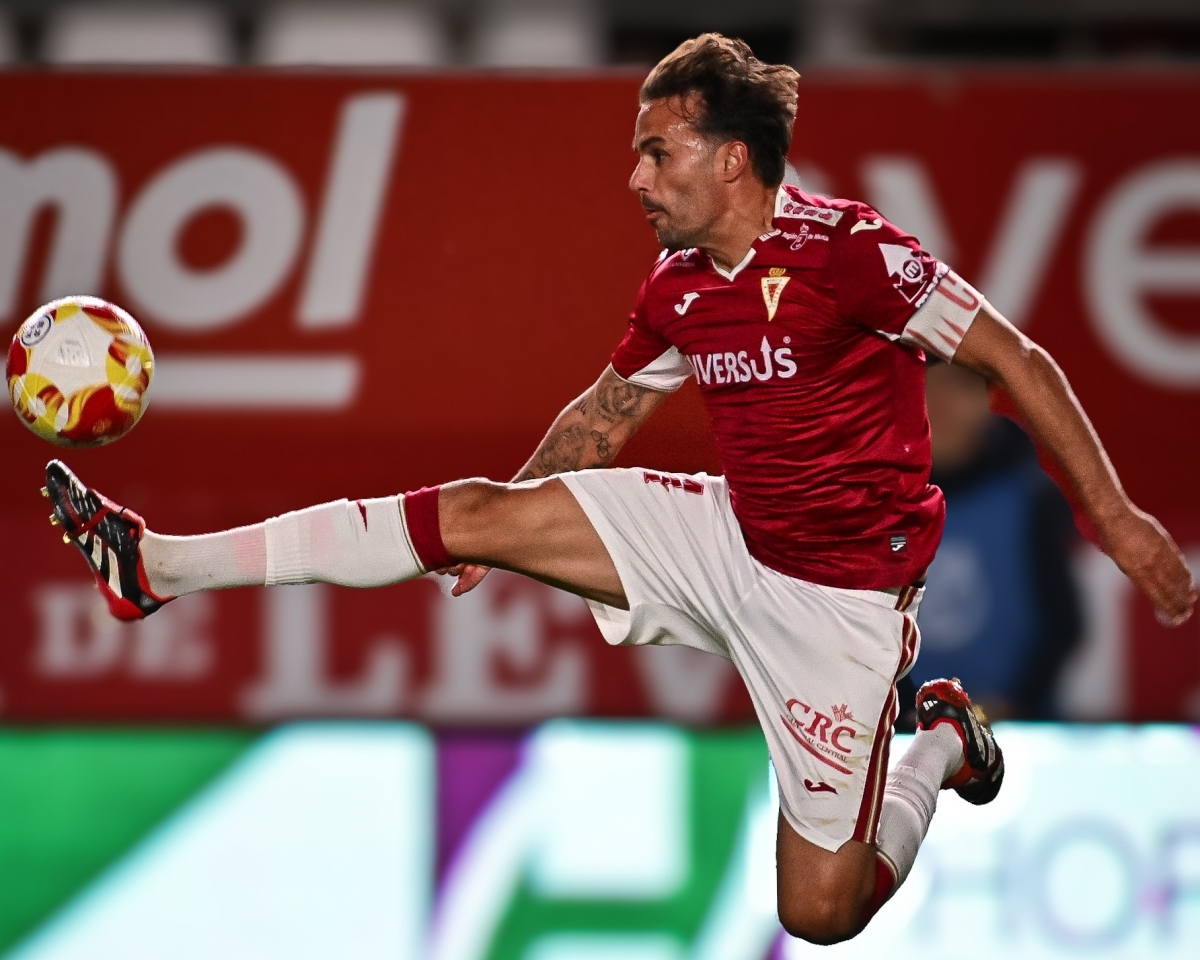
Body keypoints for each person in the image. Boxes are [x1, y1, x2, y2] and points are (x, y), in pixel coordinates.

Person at [40, 34, 1194, 945]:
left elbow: (1017, 363)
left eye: (659, 152)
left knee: (822, 914)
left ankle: (936, 738)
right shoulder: (681, 286)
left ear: (730, 158)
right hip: (729, 535)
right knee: (477, 509)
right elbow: (605, 415)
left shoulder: (853, 254)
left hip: (840, 608)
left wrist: (1121, 521)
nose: (635, 175)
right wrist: (499, 532)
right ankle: (159, 566)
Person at [913, 360, 1084, 719]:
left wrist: (1013, 705)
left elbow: (1062, 623)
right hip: (897, 738)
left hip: (1016, 734)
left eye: (958, 386)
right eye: (922, 385)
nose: (939, 402)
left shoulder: (1031, 499)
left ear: (987, 400)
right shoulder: (870, 502)